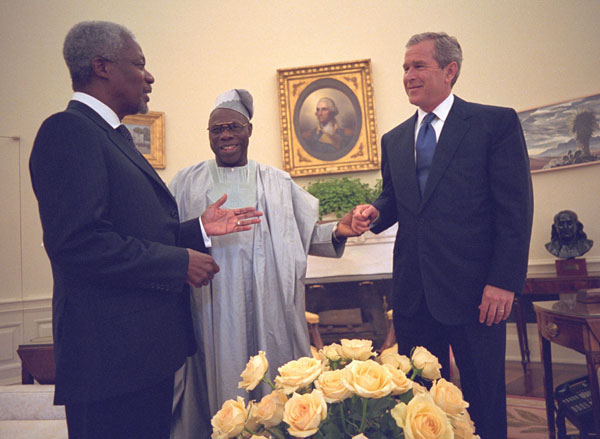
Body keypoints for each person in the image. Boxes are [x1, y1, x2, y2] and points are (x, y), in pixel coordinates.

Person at [28, 21, 261, 439]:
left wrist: (197, 231)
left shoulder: (112, 136)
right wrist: (178, 263)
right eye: (139, 64)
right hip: (109, 364)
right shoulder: (68, 132)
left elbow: (134, 230)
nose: (149, 76)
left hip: (139, 358)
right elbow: (78, 244)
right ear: (102, 66)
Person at [351, 32, 533, 439]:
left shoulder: (494, 123)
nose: (408, 75)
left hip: (477, 294)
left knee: (483, 399)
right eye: (405, 68)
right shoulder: (394, 139)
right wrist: (374, 211)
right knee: (421, 405)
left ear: (450, 71)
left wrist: (503, 281)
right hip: (415, 293)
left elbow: (515, 210)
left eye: (418, 66)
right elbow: (396, 199)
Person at [168, 89, 358, 437]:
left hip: (267, 303)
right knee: (219, 388)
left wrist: (338, 230)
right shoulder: (186, 182)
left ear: (249, 129)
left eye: (233, 126)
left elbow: (303, 234)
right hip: (208, 304)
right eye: (216, 129)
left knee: (273, 384)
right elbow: (165, 235)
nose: (225, 134)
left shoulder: (276, 182)